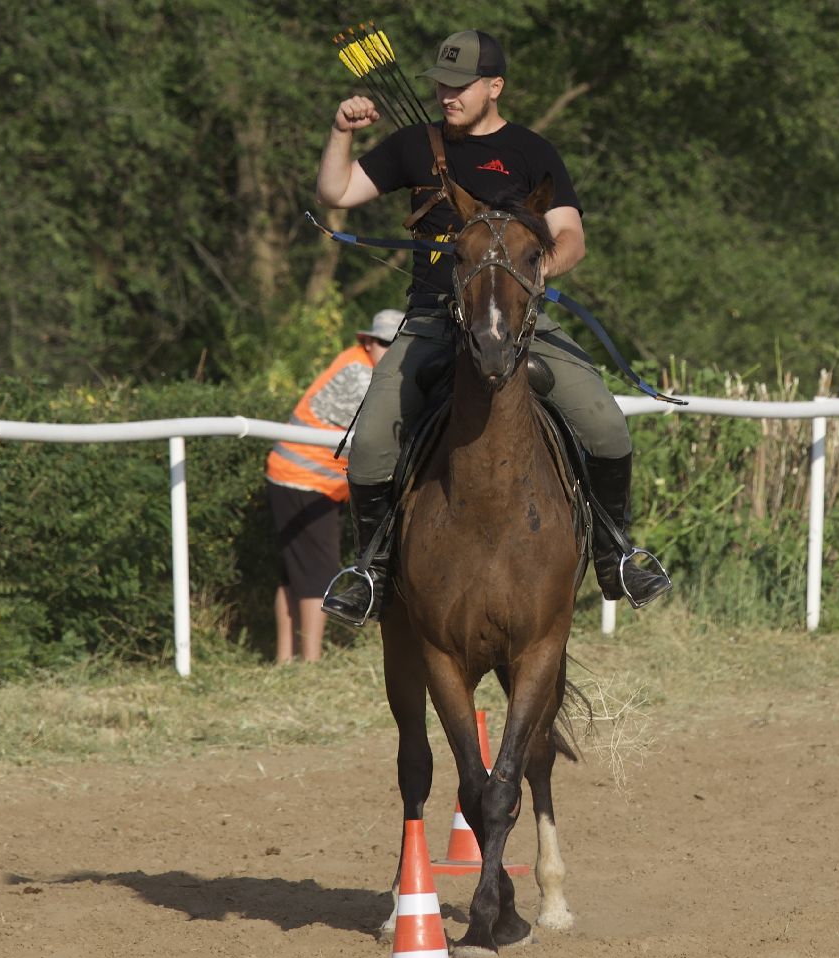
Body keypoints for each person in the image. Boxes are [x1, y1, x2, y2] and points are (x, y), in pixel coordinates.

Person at [313, 28, 672, 626]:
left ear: (495, 86)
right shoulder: (414, 145)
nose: (446, 95)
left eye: (460, 86)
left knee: (607, 425)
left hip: (523, 322)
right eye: (440, 85)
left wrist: (531, 275)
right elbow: (336, 191)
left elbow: (571, 237)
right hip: (432, 321)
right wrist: (340, 130)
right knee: (371, 443)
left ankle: (617, 555)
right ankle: (372, 571)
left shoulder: (532, 151)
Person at [263, 309, 402, 661]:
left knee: (294, 574)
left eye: (396, 344)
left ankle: (285, 660)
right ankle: (311, 663)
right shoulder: (363, 377)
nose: (389, 350)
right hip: (306, 481)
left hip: (292, 476)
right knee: (317, 573)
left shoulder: (355, 362)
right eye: (384, 343)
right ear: (368, 342)